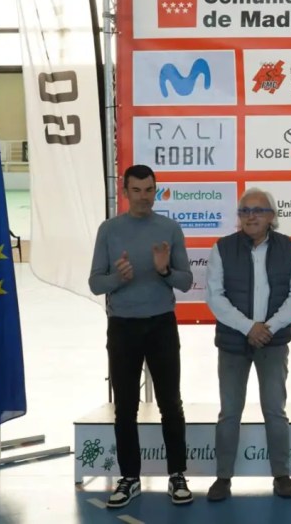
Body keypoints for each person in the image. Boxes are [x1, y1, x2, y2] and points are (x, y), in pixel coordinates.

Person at [88, 164, 194, 508]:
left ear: (155, 191)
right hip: (123, 327)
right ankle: (129, 477)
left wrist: (164, 270)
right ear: (125, 192)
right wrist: (118, 279)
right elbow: (95, 283)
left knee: (171, 404)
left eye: (149, 190)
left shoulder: (169, 228)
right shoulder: (109, 230)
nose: (144, 197)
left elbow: (185, 281)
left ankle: (177, 474)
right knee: (125, 408)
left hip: (162, 324)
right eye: (136, 190)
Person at [205, 188, 291, 502]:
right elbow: (215, 297)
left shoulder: (289, 248)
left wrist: (268, 328)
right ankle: (223, 477)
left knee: (275, 410)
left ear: (271, 216)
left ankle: (282, 475)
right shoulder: (222, 248)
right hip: (233, 344)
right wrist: (248, 327)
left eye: (258, 210)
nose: (250, 216)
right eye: (245, 210)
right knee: (229, 412)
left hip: (273, 343)